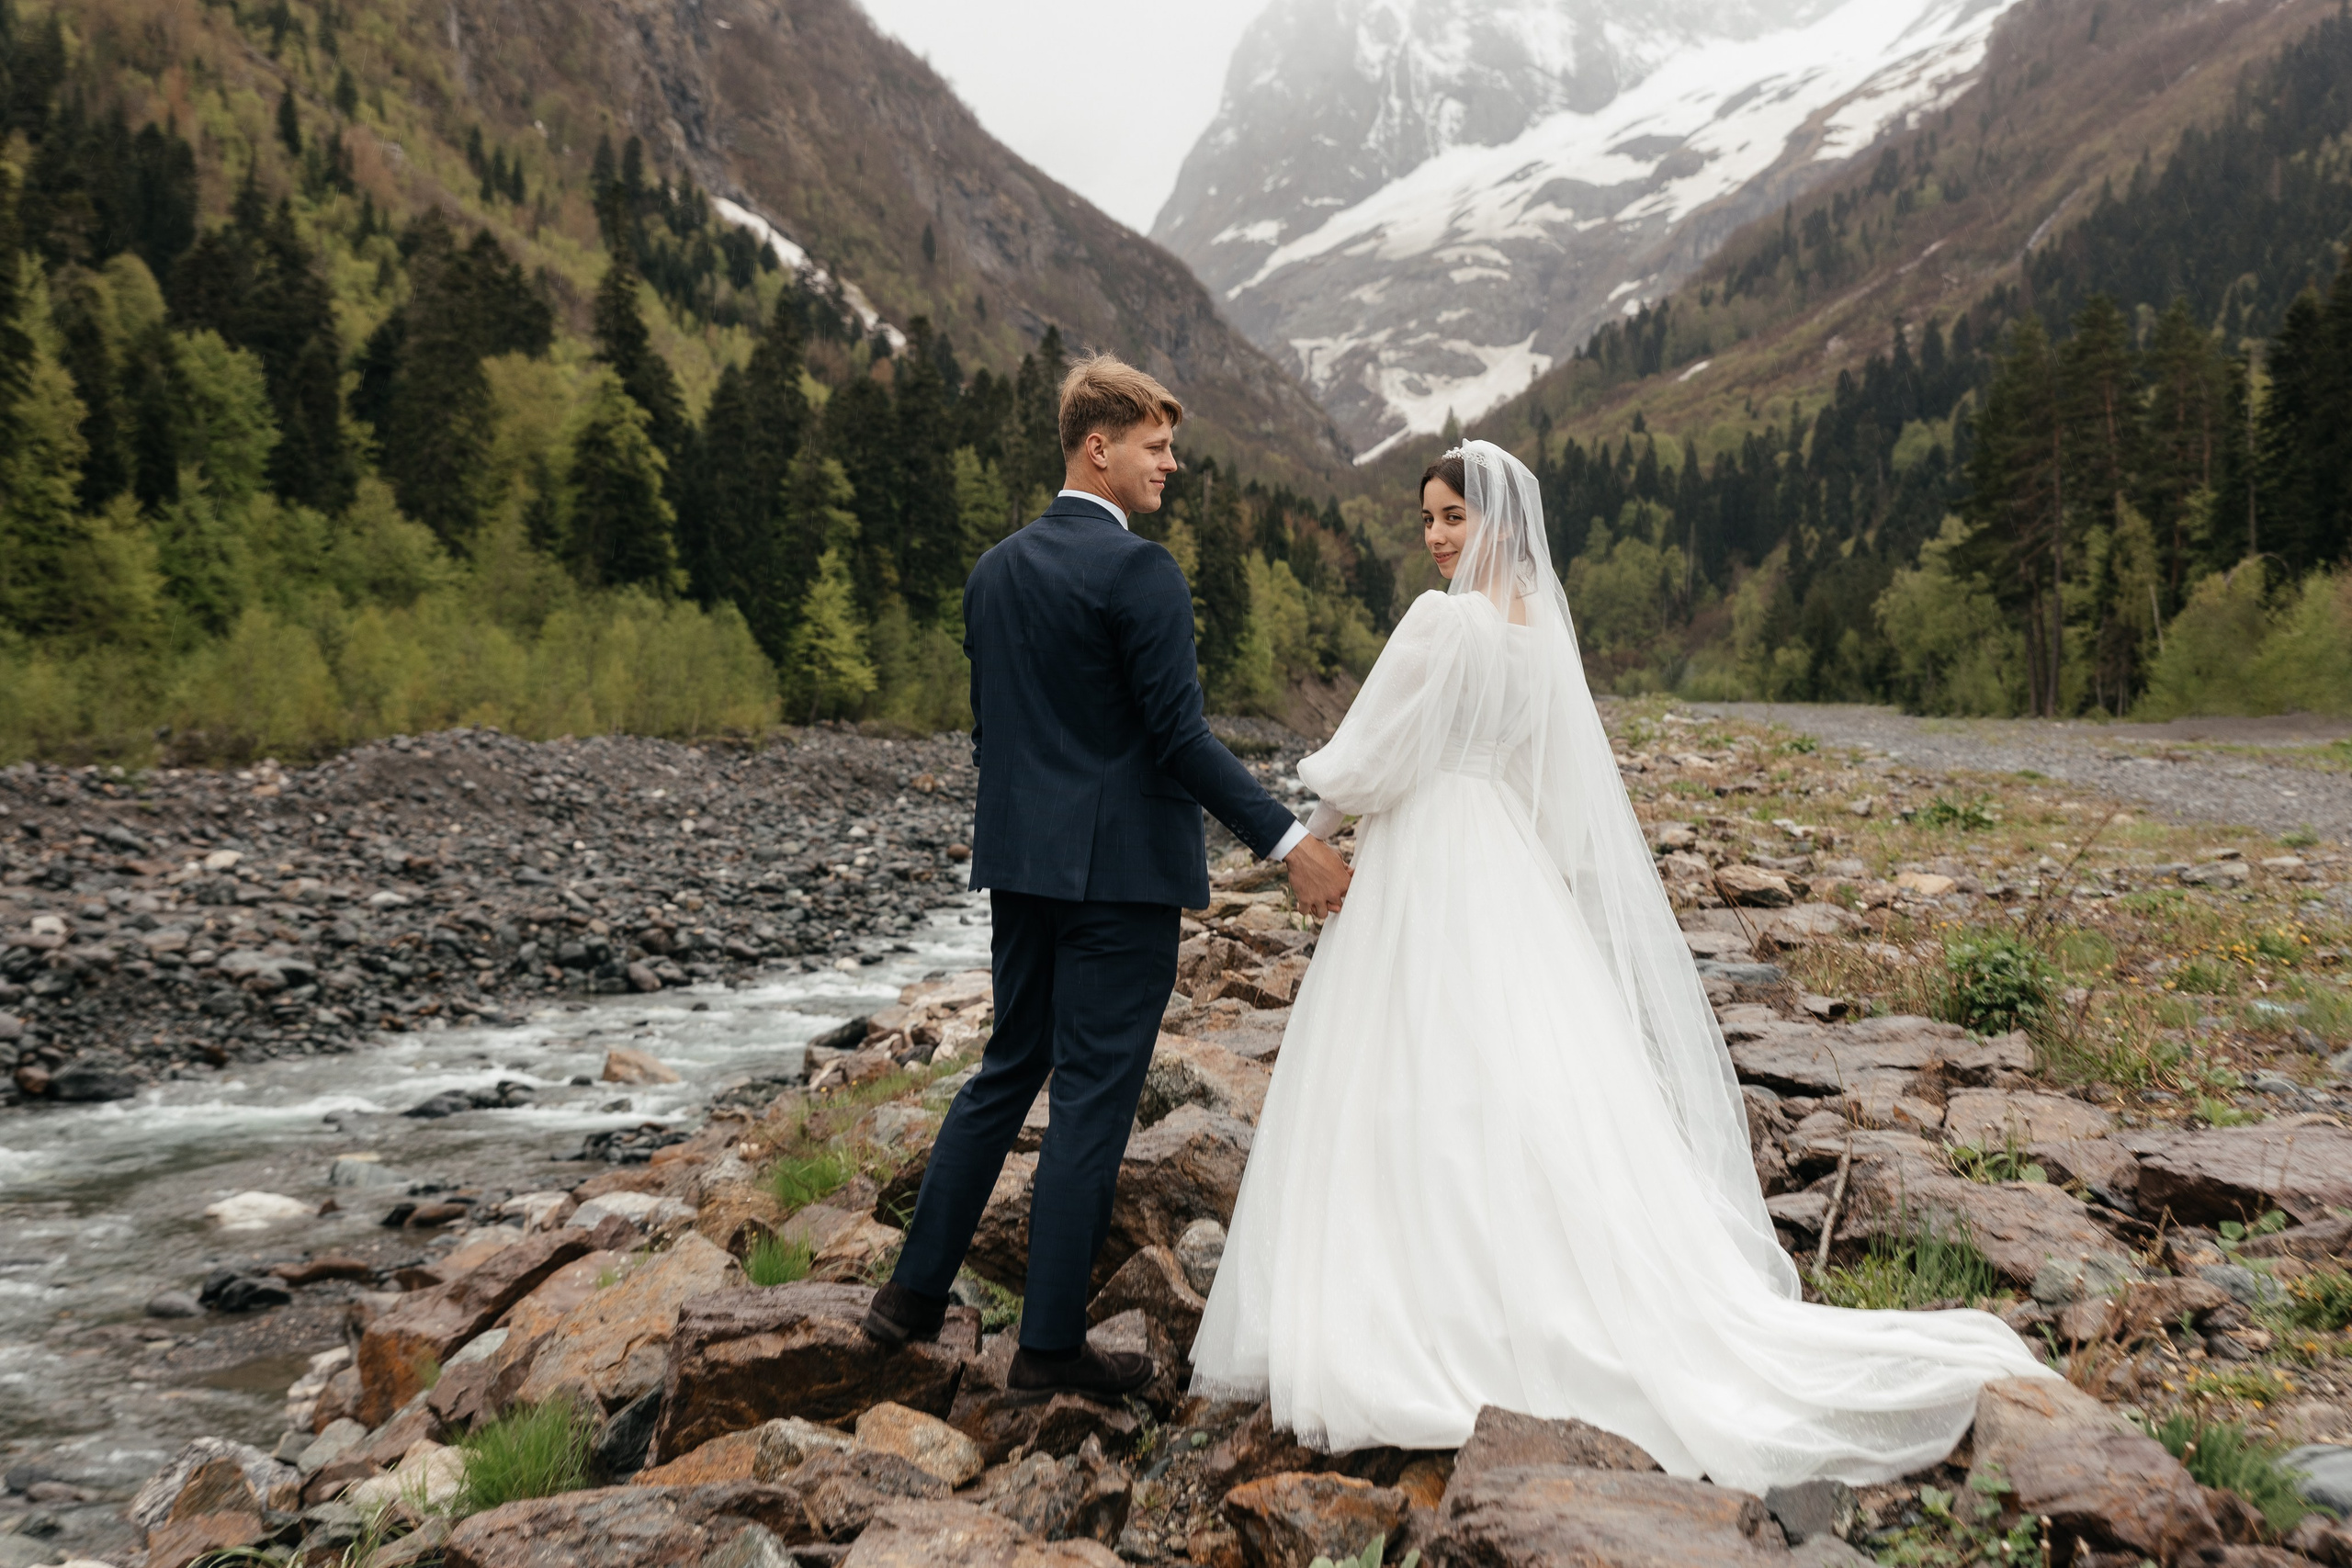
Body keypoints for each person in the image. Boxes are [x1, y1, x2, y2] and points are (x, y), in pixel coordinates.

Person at [1188, 440, 2052, 1490]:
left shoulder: (1440, 624)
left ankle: (1418, 1306)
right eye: (1425, 520)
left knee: (1405, 1066)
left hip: (1429, 856)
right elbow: (1549, 784)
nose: (1434, 538)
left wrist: (1301, 840)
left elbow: (1366, 762)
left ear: (1497, 525)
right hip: (1499, 856)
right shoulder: (1540, 636)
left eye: (1451, 518)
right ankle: (1518, 1282)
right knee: (1513, 1075)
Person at [864, 354, 1355, 1397]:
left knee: (1007, 1070)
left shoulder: (993, 571)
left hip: (1022, 870)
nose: (1170, 465)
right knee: (1091, 1100)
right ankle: (1046, 1351)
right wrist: (1288, 842)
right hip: (1120, 881)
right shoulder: (1142, 572)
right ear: (1100, 446)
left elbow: (997, 737)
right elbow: (1178, 741)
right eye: (1156, 446)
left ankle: (906, 1299)